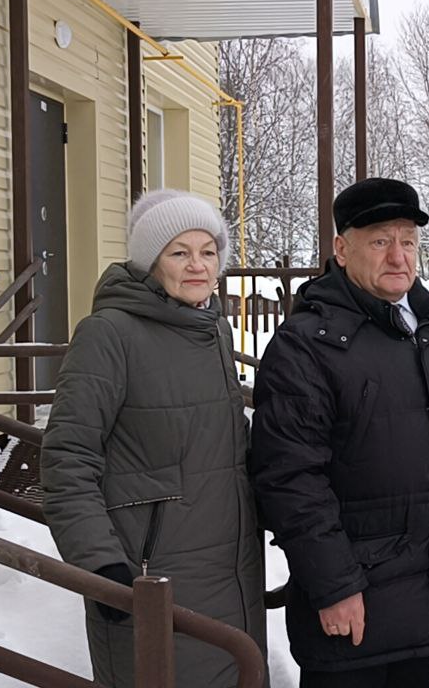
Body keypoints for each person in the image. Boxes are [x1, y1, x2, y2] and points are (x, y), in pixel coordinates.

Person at [249, 177, 429, 688]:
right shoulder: (307, 347)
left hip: (425, 600)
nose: (398, 256)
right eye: (380, 241)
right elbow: (289, 478)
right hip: (352, 609)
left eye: (408, 240)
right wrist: (334, 586)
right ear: (342, 250)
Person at [41, 189, 266, 687]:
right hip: (150, 578)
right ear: (150, 261)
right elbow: (67, 459)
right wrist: (101, 566)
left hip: (232, 571)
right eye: (179, 252)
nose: (198, 266)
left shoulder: (211, 329)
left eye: (208, 252)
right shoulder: (109, 335)